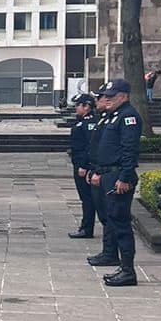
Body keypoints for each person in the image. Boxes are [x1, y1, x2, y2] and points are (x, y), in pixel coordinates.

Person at [87, 78, 142, 287]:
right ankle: (116, 259)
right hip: (108, 174)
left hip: (118, 176)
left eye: (111, 97)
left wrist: (124, 177)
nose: (106, 100)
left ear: (124, 96)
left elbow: (129, 150)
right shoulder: (113, 116)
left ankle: (128, 270)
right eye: (106, 97)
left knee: (121, 223)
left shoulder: (129, 117)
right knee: (111, 219)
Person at [66, 92, 98, 239]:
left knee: (88, 198)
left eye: (78, 105)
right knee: (86, 198)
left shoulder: (89, 123)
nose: (76, 108)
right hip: (80, 163)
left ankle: (86, 228)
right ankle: (86, 226)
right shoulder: (83, 122)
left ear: (87, 107)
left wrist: (83, 165)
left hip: (84, 166)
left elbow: (88, 147)